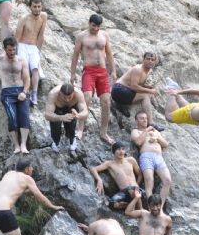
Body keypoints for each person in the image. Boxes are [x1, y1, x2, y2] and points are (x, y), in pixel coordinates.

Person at [0, 159, 64, 235]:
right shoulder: (27, 179)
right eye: (31, 167)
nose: (32, 169)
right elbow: (40, 197)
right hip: (2, 211)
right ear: (27, 169)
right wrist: (53, 207)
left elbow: (14, 190)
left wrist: (29, 191)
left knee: (5, 231)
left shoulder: (9, 174)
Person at [70, 14, 117, 144]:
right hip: (89, 71)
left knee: (106, 101)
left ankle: (104, 132)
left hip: (102, 71)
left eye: (98, 26)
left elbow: (109, 54)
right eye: (93, 25)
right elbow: (75, 56)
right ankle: (80, 129)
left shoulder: (104, 35)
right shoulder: (82, 36)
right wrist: (73, 74)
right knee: (87, 97)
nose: (96, 28)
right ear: (89, 23)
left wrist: (113, 71)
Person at [131, 111, 171, 208]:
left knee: (167, 181)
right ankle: (151, 207)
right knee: (149, 181)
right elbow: (138, 142)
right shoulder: (136, 131)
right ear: (137, 121)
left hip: (158, 157)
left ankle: (159, 208)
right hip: (146, 156)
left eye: (146, 118)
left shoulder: (155, 132)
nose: (145, 120)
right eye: (142, 118)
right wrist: (147, 130)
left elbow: (166, 144)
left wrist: (157, 138)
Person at [89, 141, 143, 210]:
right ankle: (129, 206)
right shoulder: (110, 164)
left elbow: (140, 174)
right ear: (114, 152)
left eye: (123, 149)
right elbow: (93, 169)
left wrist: (137, 184)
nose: (121, 151)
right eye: (118, 149)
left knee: (133, 190)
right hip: (124, 193)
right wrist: (99, 180)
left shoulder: (131, 160)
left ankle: (139, 208)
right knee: (111, 203)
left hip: (135, 190)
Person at [15, 0, 48, 105]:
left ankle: (34, 93)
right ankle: (25, 90)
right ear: (30, 7)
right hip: (23, 45)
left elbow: (41, 35)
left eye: (39, 7)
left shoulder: (44, 17)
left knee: (35, 68)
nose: (37, 9)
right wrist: (15, 53)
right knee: (24, 67)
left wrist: (38, 51)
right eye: (34, 7)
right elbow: (17, 37)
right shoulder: (24, 19)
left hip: (34, 47)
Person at [111, 52, 159, 125]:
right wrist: (150, 91)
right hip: (119, 90)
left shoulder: (149, 71)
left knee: (148, 94)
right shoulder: (138, 69)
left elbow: (139, 85)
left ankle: (120, 105)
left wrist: (148, 88)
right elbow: (134, 87)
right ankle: (151, 122)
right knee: (145, 96)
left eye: (152, 60)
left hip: (126, 91)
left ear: (155, 62)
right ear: (143, 60)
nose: (150, 61)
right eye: (148, 59)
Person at [44, 83, 89, 153]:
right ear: (60, 93)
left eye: (69, 97)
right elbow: (47, 115)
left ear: (73, 93)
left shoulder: (78, 94)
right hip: (57, 109)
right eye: (64, 97)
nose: (67, 100)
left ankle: (71, 138)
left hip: (72, 109)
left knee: (71, 126)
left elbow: (85, 113)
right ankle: (56, 141)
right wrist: (60, 117)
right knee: (55, 126)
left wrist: (77, 115)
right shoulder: (53, 94)